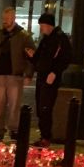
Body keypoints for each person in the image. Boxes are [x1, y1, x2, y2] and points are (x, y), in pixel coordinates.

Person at [0, 6, 35, 141]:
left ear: (13, 18)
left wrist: (28, 74)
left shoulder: (23, 36)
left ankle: (13, 128)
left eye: (7, 19)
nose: (4, 21)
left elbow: (31, 57)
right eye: (3, 19)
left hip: (15, 74)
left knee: (14, 104)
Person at [30, 9, 71, 145]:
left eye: (42, 26)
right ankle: (44, 135)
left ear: (48, 25)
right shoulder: (46, 39)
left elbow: (64, 59)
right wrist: (32, 57)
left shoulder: (60, 39)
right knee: (41, 107)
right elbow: (39, 58)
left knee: (45, 106)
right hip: (42, 76)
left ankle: (46, 137)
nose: (41, 29)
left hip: (50, 77)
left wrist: (54, 72)